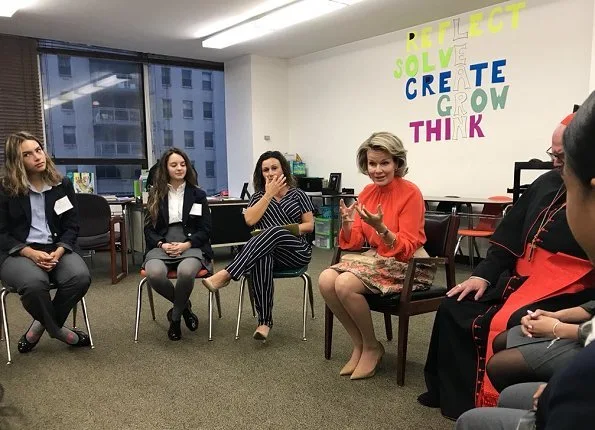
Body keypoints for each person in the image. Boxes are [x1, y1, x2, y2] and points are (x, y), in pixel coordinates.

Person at [419, 114, 595, 419]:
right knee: (455, 305)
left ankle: (497, 405)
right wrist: (482, 275)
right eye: (552, 154)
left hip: (570, 287)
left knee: (509, 320)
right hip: (517, 276)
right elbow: (509, 236)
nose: (555, 163)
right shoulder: (546, 182)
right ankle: (451, 397)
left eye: (562, 156)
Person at [318, 132, 430, 380]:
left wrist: (382, 229)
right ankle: (360, 344)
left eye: (384, 163)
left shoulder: (411, 192)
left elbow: (409, 245)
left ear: (397, 163)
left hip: (411, 265)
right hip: (379, 259)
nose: (378, 169)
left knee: (345, 284)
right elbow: (355, 240)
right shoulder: (367, 192)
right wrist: (347, 224)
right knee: (326, 279)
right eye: (372, 164)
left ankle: (371, 346)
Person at [202, 150, 314, 341]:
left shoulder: (298, 194)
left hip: (296, 250)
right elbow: (250, 220)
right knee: (262, 258)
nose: (270, 173)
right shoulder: (258, 197)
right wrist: (268, 195)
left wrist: (288, 230)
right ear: (260, 174)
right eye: (265, 170)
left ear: (283, 170)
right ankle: (264, 322)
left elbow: (309, 225)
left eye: (274, 168)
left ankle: (227, 274)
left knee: (276, 231)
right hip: (269, 253)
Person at [0, 131, 91, 352]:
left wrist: (60, 251)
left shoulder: (61, 184)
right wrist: (29, 252)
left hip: (57, 248)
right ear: (16, 161)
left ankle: (39, 328)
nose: (37, 157)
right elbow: (1, 232)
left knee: (80, 277)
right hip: (19, 252)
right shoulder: (6, 189)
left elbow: (72, 225)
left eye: (38, 150)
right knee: (34, 285)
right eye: (27, 154)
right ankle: (59, 331)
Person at [143, 148, 213, 341]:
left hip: (191, 245)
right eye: (174, 165)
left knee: (185, 272)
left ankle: (175, 319)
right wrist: (162, 244)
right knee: (154, 274)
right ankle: (185, 308)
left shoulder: (198, 194)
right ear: (165, 168)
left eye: (183, 164)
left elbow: (206, 229)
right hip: (162, 246)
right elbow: (148, 229)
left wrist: (186, 245)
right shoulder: (156, 194)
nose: (179, 168)